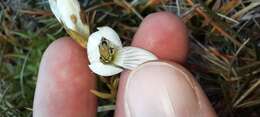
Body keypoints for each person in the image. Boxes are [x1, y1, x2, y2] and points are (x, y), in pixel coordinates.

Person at [33, 12, 217, 117]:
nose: (106, 51)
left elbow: (144, 62)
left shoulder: (121, 57)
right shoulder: (108, 62)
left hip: (123, 60)